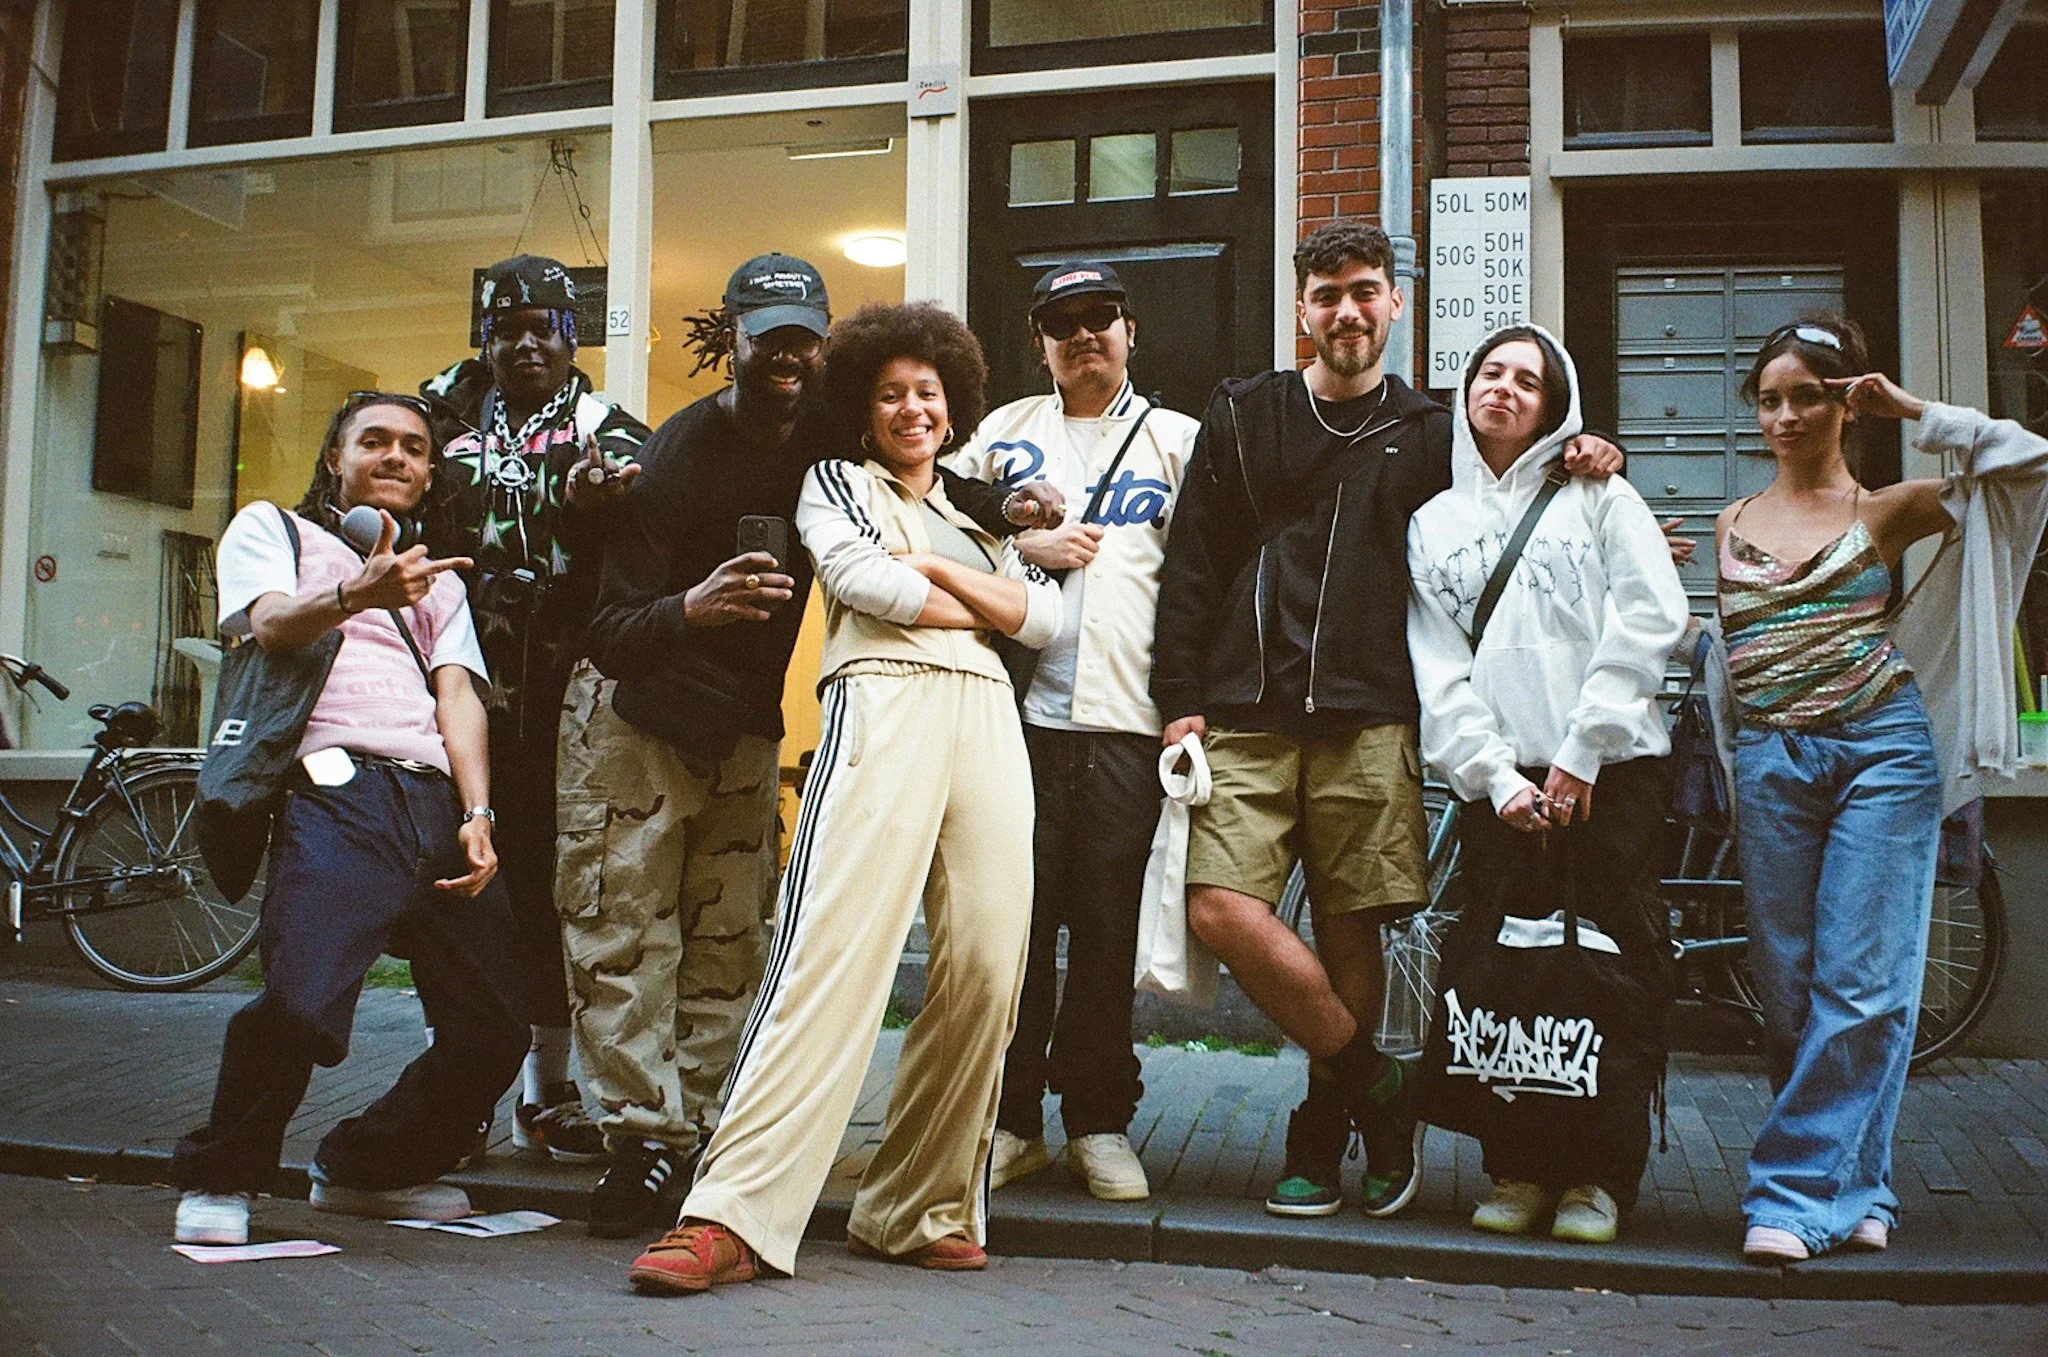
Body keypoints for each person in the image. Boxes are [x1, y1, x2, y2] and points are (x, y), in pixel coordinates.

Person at [561, 257, 1059, 1240]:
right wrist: (692, 607)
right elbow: (607, 627)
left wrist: (1009, 504)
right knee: (624, 935)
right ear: (730, 337)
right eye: (766, 332)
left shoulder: (837, 433)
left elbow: (947, 483)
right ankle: (639, 1141)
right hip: (640, 705)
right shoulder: (679, 452)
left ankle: (696, 1132)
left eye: (803, 333)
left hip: (744, 717)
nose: (787, 351)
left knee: (726, 941)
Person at [1150, 220, 1625, 1221]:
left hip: (1371, 709)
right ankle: (1379, 1081)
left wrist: (1580, 451)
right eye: (1326, 296)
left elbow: (1504, 501)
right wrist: (1178, 698)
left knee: (1351, 926)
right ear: (1300, 309)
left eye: (1364, 291)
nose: (1346, 313)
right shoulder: (1242, 412)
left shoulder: (1431, 430)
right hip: (1243, 706)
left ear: (1394, 302)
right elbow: (1190, 561)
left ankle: (1321, 1139)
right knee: (1216, 907)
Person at [1718, 319, 2048, 1264]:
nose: (1786, 415)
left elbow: (2028, 467)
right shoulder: (1729, 521)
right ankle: (1858, 1185)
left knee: (1862, 981)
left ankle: (1786, 1196)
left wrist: (1917, 410)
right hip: (1774, 759)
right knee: (1788, 984)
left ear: (1844, 402)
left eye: (1808, 395)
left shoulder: (1890, 508)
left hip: (1881, 752)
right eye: (1771, 398)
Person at [171, 392, 525, 1247]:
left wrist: (478, 813)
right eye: (375, 441)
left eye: (413, 446)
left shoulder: (434, 578)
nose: (396, 456)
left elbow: (458, 697)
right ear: (337, 458)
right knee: (300, 1002)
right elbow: (267, 627)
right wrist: (354, 590)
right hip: (335, 791)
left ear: (430, 471)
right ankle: (224, 1174)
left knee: (494, 1027)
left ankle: (366, 1168)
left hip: (435, 801)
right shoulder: (275, 533)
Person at [1407, 324, 1689, 1244]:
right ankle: (1518, 1165)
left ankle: (1601, 1177)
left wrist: (1581, 753)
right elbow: (1436, 669)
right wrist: (1493, 777)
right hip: (1502, 789)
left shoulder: (1600, 494)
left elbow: (1653, 618)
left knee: (1609, 973)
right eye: (1491, 371)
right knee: (1510, 979)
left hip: (1612, 775)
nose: (1506, 388)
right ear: (1467, 389)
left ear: (1556, 402)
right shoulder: (1433, 523)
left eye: (1530, 379)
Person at [946, 262, 1198, 1202]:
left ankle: (1098, 1118)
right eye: (1064, 323)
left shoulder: (1178, 440)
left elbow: (1207, 575)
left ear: (1132, 330)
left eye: (1101, 319)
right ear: (1041, 339)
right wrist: (1019, 545)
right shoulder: (1000, 434)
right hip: (1014, 720)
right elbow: (927, 524)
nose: (1084, 336)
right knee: (1013, 923)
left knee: (1103, 930)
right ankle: (1011, 1120)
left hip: (1129, 723)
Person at [421, 254, 649, 1165]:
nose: (525, 344)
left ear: (570, 338)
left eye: (542, 328)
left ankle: (545, 1090)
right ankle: (461, 1084)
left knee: (553, 891)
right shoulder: (439, 420)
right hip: (454, 688)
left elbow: (647, 493)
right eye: (506, 328)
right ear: (486, 335)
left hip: (561, 698)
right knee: (464, 890)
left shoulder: (603, 426)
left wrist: (601, 497)